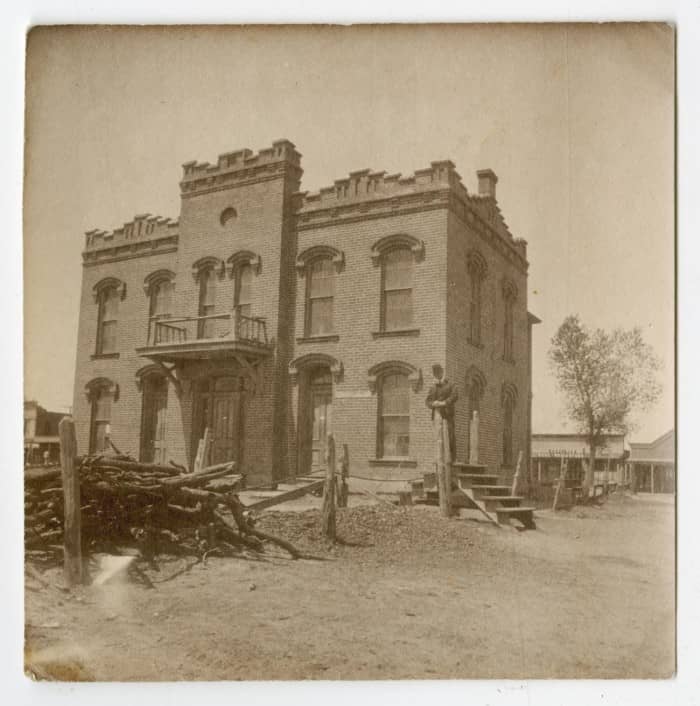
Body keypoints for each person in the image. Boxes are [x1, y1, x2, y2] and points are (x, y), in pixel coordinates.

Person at [425, 363, 458, 462]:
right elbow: (427, 401)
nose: (437, 374)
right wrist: (433, 403)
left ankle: (451, 460)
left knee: (450, 436)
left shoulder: (450, 384)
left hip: (447, 415)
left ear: (442, 372)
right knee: (438, 437)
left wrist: (445, 403)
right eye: (435, 373)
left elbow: (455, 396)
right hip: (437, 415)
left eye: (439, 372)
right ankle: (439, 460)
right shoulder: (433, 387)